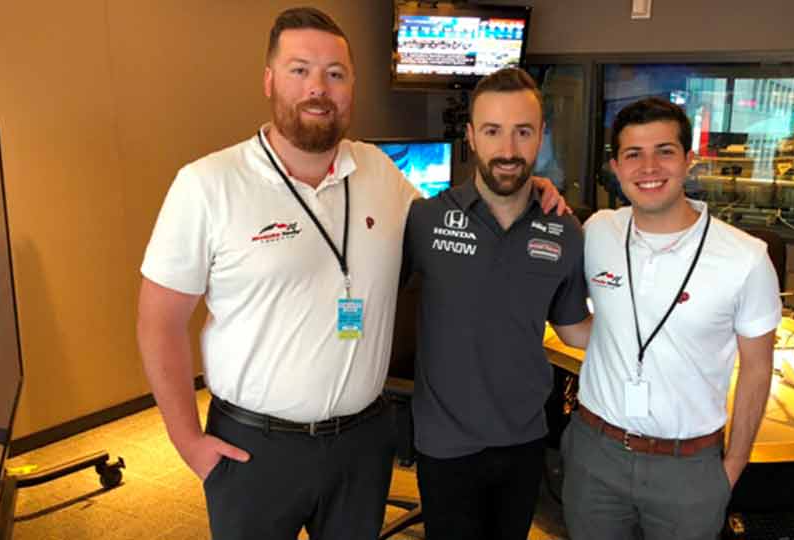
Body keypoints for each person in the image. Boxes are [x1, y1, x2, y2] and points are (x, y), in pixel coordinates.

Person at [136, 8, 566, 539]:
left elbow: (459, 220)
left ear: (351, 86)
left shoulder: (381, 174)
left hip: (362, 445)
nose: (318, 88)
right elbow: (159, 322)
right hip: (254, 448)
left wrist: (532, 193)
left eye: (335, 74)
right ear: (269, 79)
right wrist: (188, 442)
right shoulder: (208, 184)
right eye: (299, 70)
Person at [561, 97, 781, 540]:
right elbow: (589, 330)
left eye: (664, 151)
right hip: (595, 452)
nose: (649, 167)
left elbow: (757, 369)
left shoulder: (745, 257)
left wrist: (733, 466)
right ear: (616, 167)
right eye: (633, 154)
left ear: (689, 162)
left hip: (689, 468)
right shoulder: (599, 231)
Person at [401, 67, 592, 540]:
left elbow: (575, 330)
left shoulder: (564, 231)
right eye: (492, 131)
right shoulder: (423, 221)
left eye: (522, 132)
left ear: (541, 135)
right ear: (470, 136)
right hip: (445, 443)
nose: (508, 150)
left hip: (525, 439)